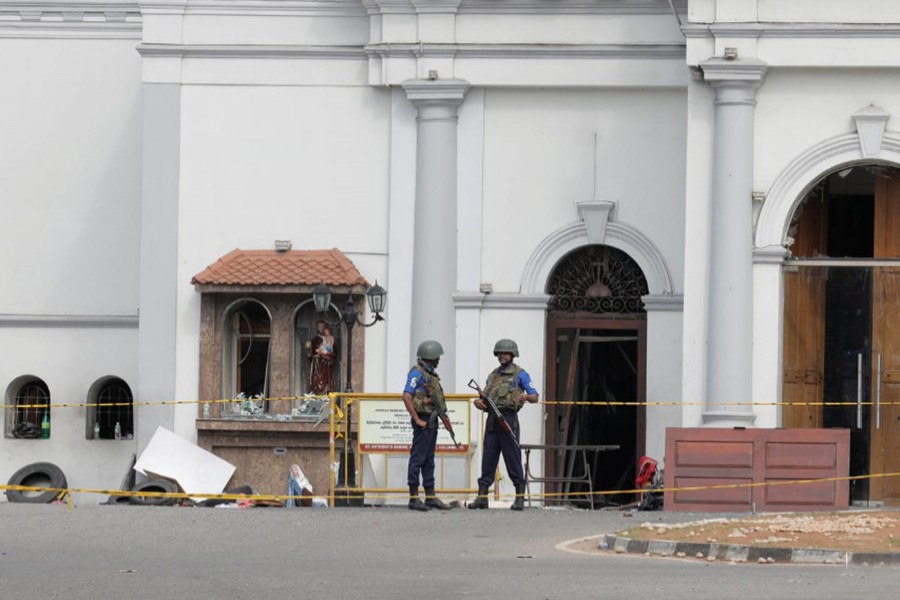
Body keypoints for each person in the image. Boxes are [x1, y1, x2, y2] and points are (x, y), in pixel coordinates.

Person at [469, 338, 539, 511]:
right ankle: (482, 497)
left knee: (512, 457)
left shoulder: (520, 374)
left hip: (508, 419)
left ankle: (519, 498)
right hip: (492, 420)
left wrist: (525, 397)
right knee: (488, 458)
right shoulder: (493, 376)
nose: (502, 356)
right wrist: (478, 403)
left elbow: (535, 396)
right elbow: (484, 397)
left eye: (505, 353)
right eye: (500, 353)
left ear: (512, 355)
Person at [401, 340, 452, 511]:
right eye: (437, 357)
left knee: (429, 459)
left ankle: (430, 495)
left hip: (432, 420)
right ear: (430, 357)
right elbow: (406, 396)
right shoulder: (417, 373)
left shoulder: (431, 375)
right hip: (423, 420)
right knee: (418, 458)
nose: (438, 360)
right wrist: (417, 419)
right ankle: (414, 497)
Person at [306, 321, 336, 394]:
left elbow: (334, 352)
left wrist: (326, 354)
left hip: (326, 363)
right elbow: (310, 354)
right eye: (319, 326)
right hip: (317, 364)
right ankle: (316, 392)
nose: (321, 328)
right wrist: (308, 349)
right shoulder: (314, 340)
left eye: (323, 326)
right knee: (315, 381)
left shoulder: (330, 339)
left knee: (326, 381)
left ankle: (326, 392)